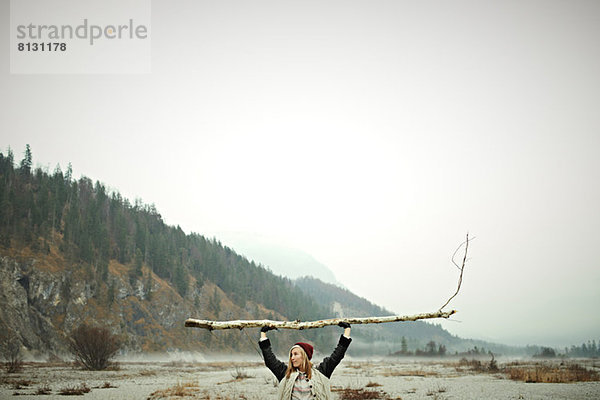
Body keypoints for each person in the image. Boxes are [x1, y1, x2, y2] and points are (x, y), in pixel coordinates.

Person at [259, 322, 352, 400]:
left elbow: (337, 356)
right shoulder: (285, 374)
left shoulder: (321, 372)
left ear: (304, 356)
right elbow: (270, 360)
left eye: (295, 354)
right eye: (291, 355)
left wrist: (347, 330)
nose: (292, 358)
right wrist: (263, 334)